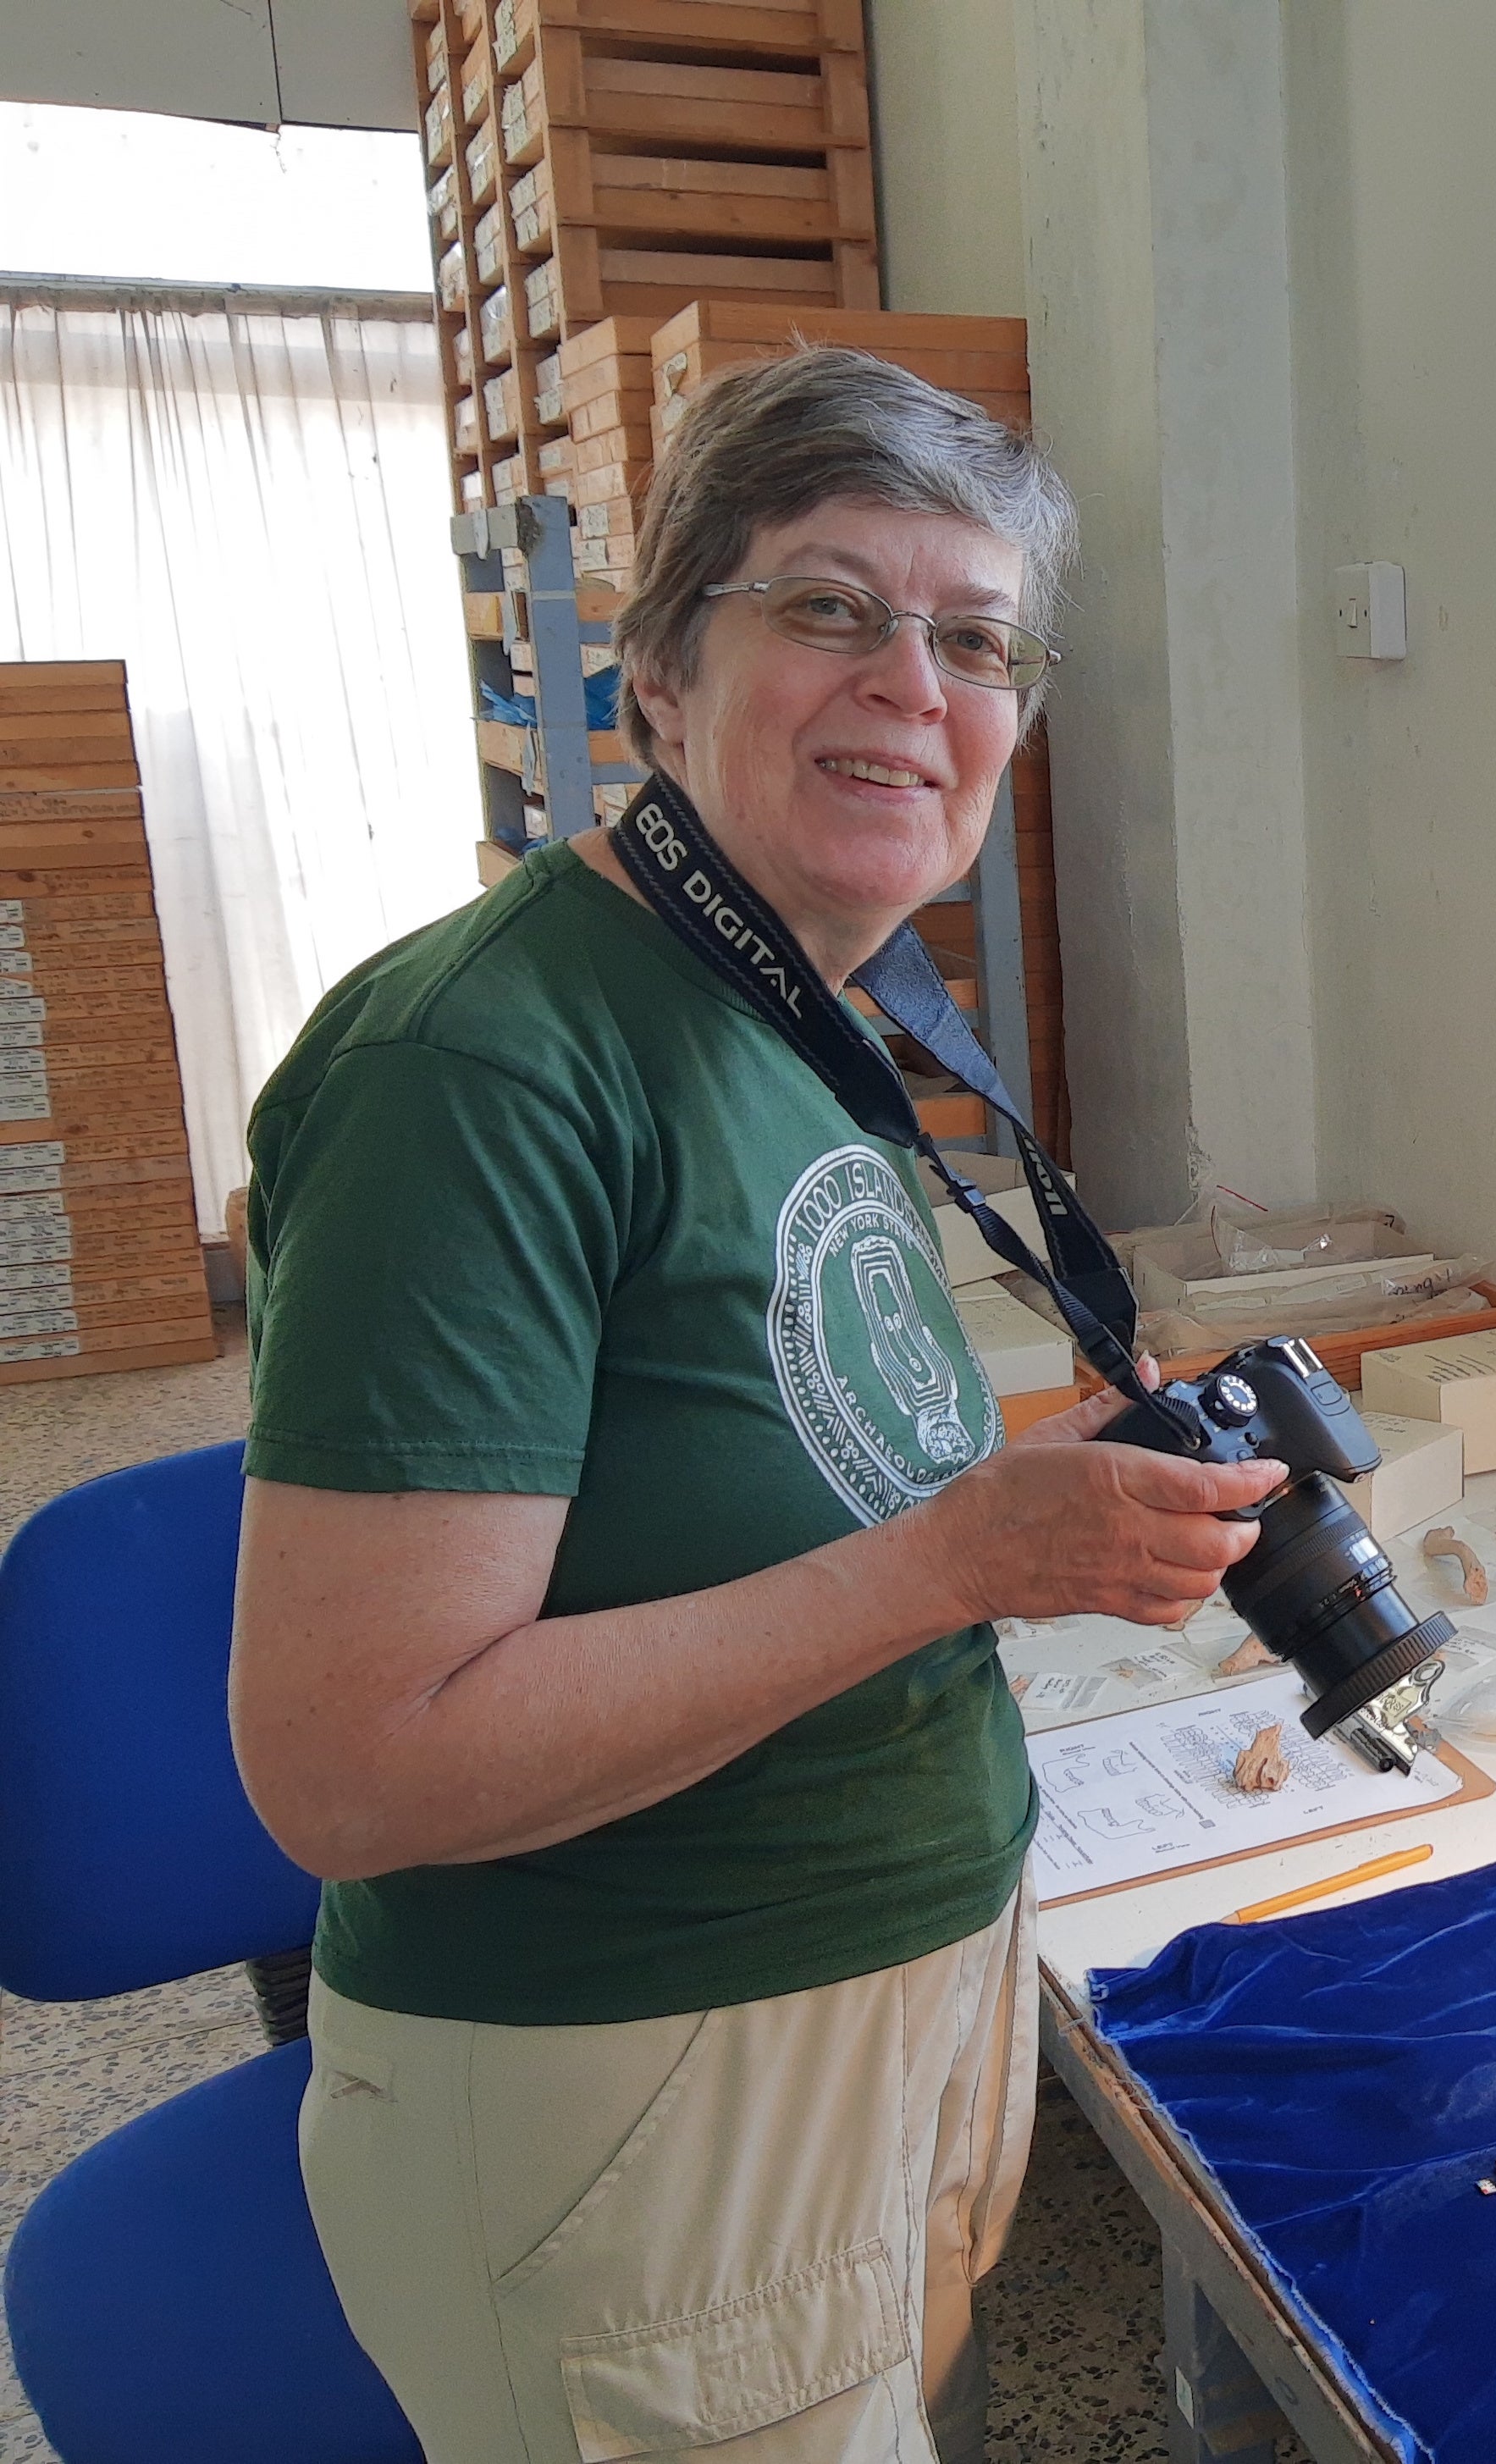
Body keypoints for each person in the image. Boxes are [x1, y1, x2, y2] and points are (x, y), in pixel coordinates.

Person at [227, 346, 1281, 2464]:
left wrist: (1001, 1495)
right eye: (826, 603)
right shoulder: (486, 1063)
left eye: (973, 636)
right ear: (656, 683)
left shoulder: (777, 1000)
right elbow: (352, 1767)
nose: (913, 681)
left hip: (877, 2000)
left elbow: (742, 1456)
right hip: (638, 2071)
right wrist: (953, 1559)